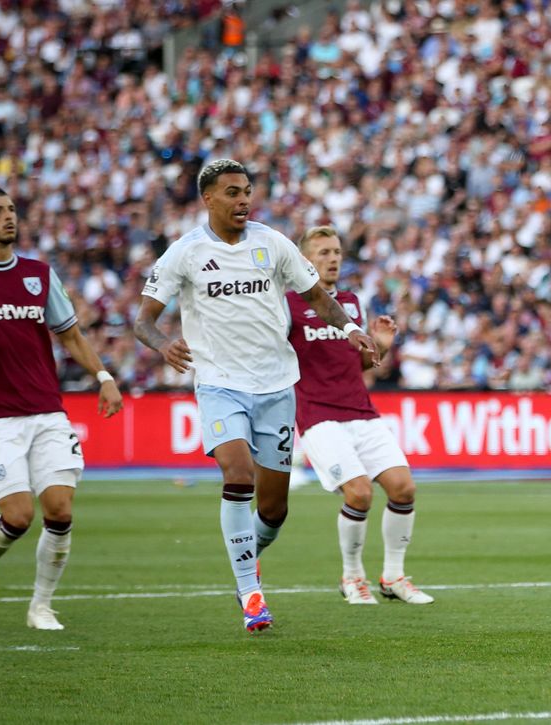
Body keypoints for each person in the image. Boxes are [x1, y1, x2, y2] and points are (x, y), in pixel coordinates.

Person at [135, 159, 376, 633]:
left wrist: (350, 328)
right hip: (219, 383)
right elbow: (143, 320)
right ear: (208, 199)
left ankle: (249, 552)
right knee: (238, 473)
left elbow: (317, 298)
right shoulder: (184, 254)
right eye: (232, 192)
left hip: (276, 385)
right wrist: (163, 344)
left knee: (273, 509)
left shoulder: (273, 243)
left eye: (247, 191)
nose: (243, 199)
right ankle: (250, 592)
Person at [0, 188, 123, 631]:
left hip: (45, 410)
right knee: (18, 516)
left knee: (60, 510)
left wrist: (104, 378)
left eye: (12, 209)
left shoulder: (39, 274)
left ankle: (41, 606)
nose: (9, 217)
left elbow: (71, 335)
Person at [285, 226, 432, 605]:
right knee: (360, 493)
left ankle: (394, 576)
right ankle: (352, 577)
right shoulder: (287, 304)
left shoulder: (350, 302)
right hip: (318, 416)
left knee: (403, 488)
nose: (332, 258)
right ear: (304, 260)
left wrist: (379, 346)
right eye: (323, 252)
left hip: (362, 411)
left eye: (336, 251)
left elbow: (360, 365)